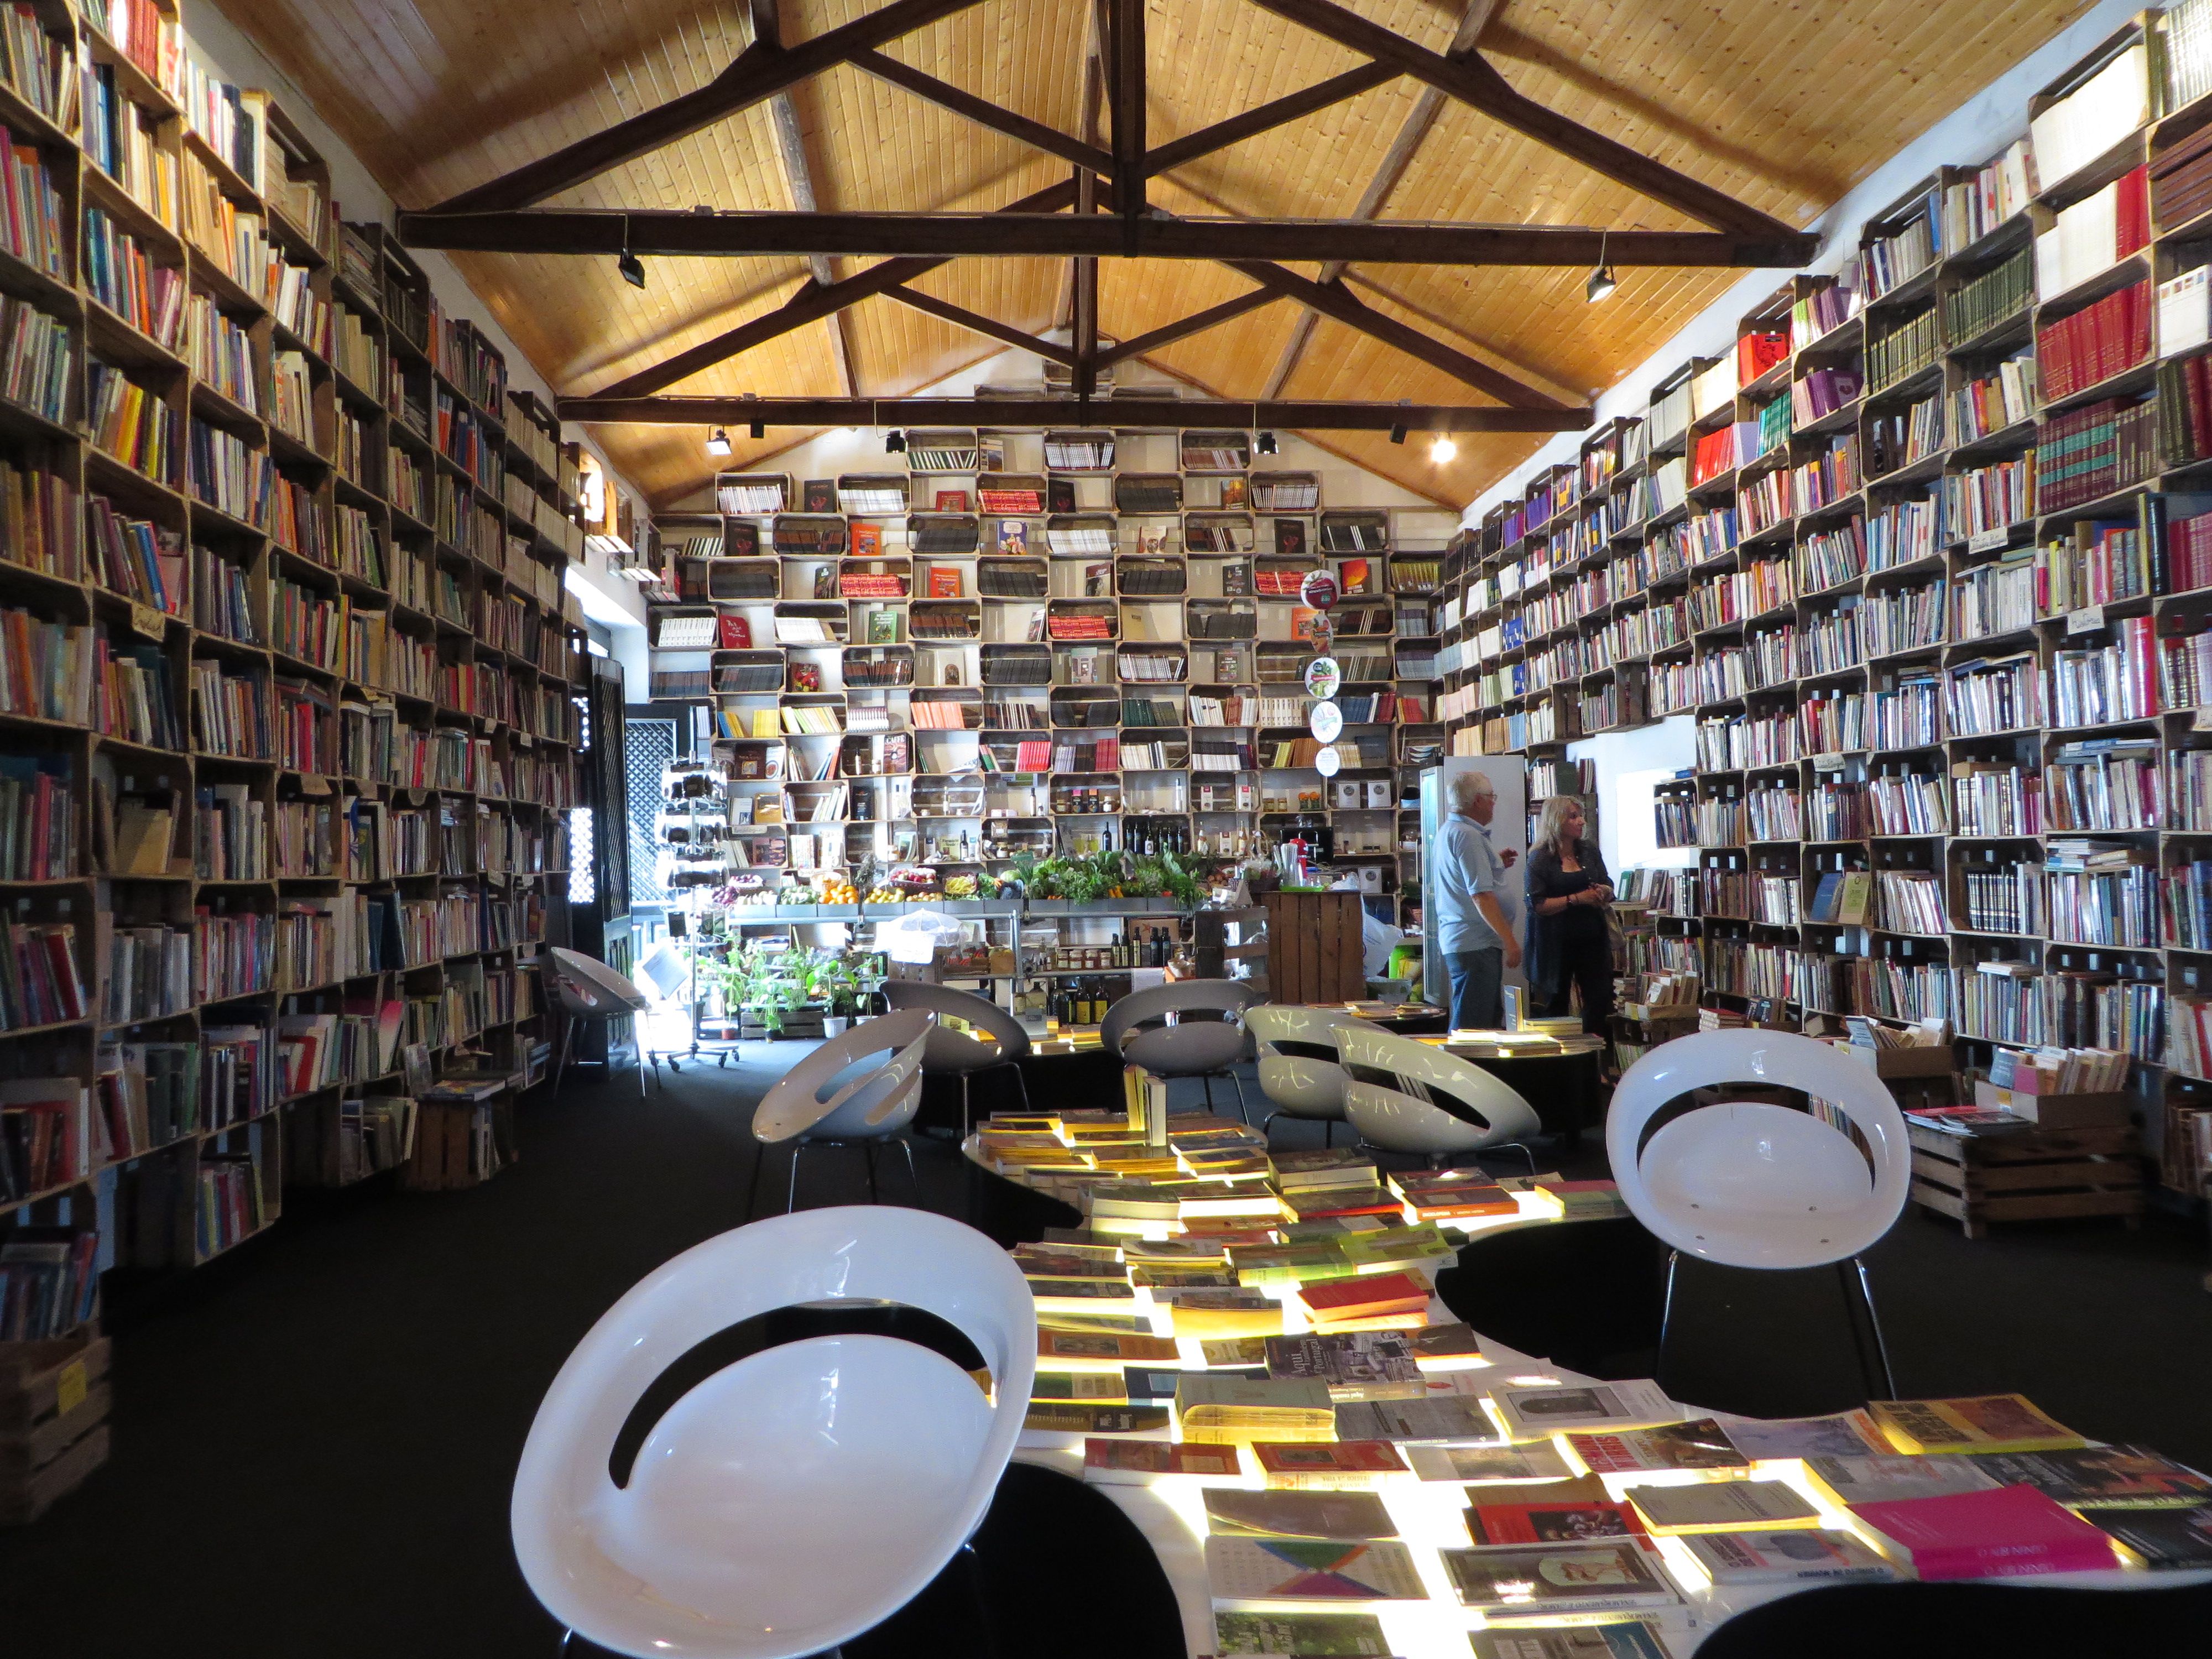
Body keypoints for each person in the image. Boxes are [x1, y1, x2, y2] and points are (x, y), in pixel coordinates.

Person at [1431, 770, 1519, 1030]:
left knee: (1485, 1023)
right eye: (1492, 797)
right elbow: (1481, 896)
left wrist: (1494, 862)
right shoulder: (1468, 836)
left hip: (1470, 943)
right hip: (1475, 944)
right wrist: (1510, 940)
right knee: (1472, 1029)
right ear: (1478, 801)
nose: (1494, 803)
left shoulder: (1452, 830)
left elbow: (1463, 877)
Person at [1524, 795, 1615, 1044]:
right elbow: (1537, 905)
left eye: (1581, 816)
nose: (1582, 822)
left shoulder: (1588, 851)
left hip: (1592, 938)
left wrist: (1604, 891)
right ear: (1556, 821)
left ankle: (1593, 1055)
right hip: (1554, 943)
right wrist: (1577, 899)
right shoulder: (1540, 858)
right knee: (1555, 1004)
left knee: (1600, 999)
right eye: (1573, 817)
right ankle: (1558, 1058)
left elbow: (1607, 882)